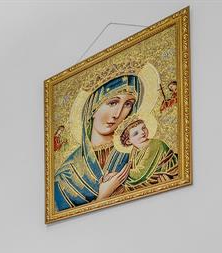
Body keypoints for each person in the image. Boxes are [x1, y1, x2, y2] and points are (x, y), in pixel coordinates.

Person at [53, 74, 141, 211]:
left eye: (128, 104)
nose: (117, 114)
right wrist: (103, 195)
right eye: (112, 103)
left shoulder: (137, 151)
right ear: (92, 108)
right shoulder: (65, 176)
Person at [117, 115, 179, 189]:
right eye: (136, 133)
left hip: (167, 177)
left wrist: (118, 174)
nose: (142, 132)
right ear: (128, 141)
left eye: (143, 128)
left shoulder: (155, 144)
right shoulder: (134, 150)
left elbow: (140, 174)